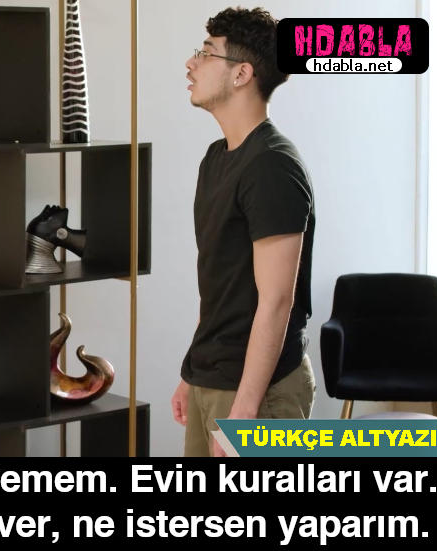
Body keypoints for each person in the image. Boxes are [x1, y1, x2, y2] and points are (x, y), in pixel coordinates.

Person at [171, 7, 316, 457]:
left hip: (258, 393)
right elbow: (221, 284)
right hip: (213, 379)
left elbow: (277, 300)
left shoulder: (272, 166)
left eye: (206, 53)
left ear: (242, 74)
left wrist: (245, 412)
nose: (191, 63)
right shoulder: (217, 158)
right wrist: (192, 373)